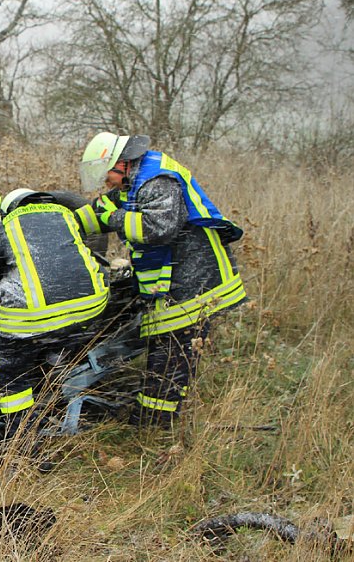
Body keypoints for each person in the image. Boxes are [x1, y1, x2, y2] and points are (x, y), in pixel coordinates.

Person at [74, 133, 246, 427]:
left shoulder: (157, 181)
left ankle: (156, 421)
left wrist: (115, 218)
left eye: (108, 175)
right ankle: (154, 413)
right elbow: (98, 212)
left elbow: (157, 229)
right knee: (166, 345)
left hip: (196, 279)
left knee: (172, 351)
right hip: (175, 276)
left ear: (123, 164)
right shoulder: (133, 181)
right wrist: (59, 221)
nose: (107, 182)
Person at [0, 188, 110, 441]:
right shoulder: (66, 218)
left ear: (9, 208)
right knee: (58, 336)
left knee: (10, 372)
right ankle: (55, 365)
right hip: (90, 307)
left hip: (32, 316)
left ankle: (19, 435)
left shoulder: (4, 228)